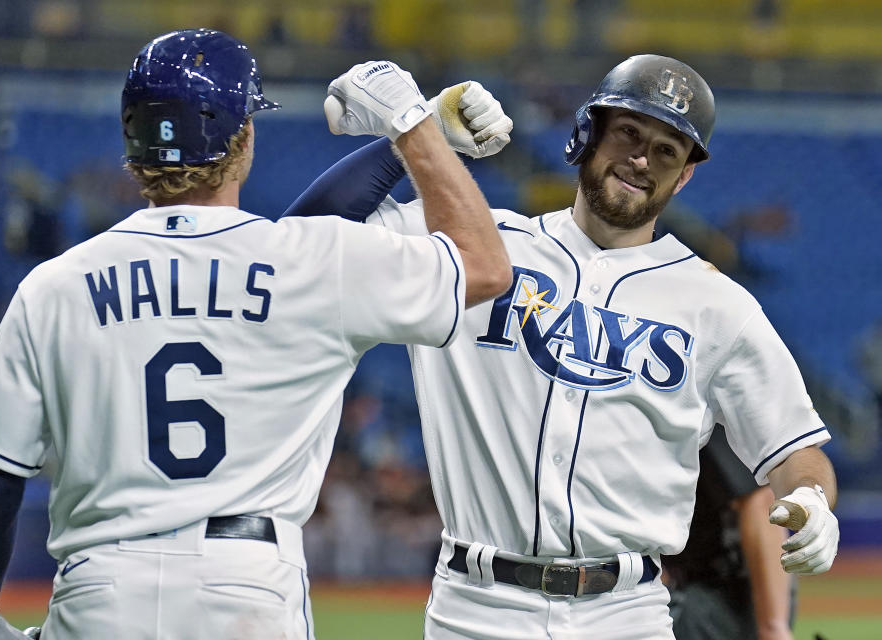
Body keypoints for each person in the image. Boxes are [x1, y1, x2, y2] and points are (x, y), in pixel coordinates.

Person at [0, 30, 512, 640]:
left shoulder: (53, 285)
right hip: (246, 588)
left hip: (101, 586)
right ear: (242, 137)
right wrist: (415, 131)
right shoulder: (309, 264)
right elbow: (483, 266)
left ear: (132, 141)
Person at [283, 54, 840, 639]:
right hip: (475, 610)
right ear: (588, 131)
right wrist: (419, 138)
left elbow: (792, 448)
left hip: (627, 615)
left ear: (684, 176)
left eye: (667, 151)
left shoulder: (718, 304)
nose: (641, 159)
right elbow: (304, 244)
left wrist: (811, 499)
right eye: (628, 132)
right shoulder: (476, 247)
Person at [663, 428, 795, 640]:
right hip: (711, 584)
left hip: (725, 589)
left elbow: (760, 502)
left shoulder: (704, 406)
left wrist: (774, 627)